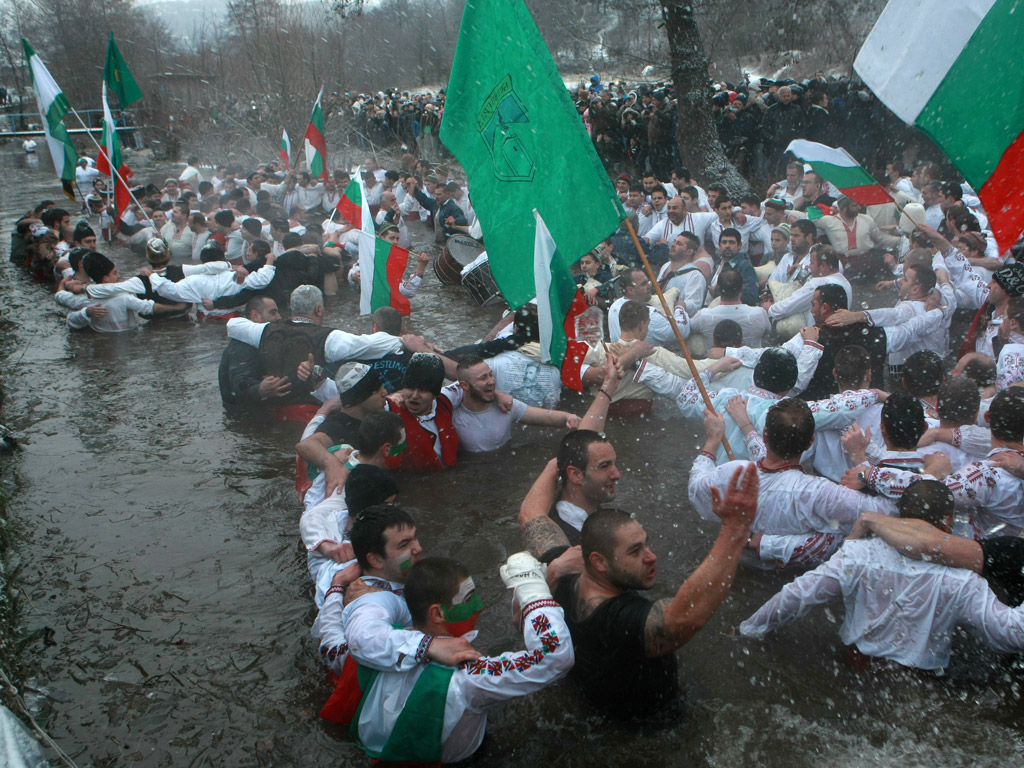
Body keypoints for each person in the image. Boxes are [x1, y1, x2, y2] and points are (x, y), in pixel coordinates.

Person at [525, 463, 758, 719]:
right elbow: (684, 618)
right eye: (635, 551)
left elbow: (532, 514)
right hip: (648, 730)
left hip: (591, 703)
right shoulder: (617, 618)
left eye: (647, 544)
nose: (652, 557)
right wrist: (734, 530)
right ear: (598, 561)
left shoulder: (560, 572)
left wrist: (553, 466)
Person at [739, 480, 1024, 672]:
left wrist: (748, 629)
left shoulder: (858, 556)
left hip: (856, 667)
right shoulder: (962, 580)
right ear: (948, 521)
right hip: (920, 682)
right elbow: (1010, 633)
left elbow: (797, 595)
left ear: (899, 516)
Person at [339, 552, 572, 763]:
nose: (480, 607)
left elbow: (343, 639)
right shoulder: (470, 677)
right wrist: (532, 590)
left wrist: (336, 590)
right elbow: (553, 657)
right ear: (438, 613)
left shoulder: (376, 649)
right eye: (469, 598)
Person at [690, 398, 897, 569]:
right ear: (810, 442)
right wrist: (861, 463)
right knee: (838, 529)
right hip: (791, 577)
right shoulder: (819, 493)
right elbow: (887, 512)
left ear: (765, 436)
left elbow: (696, 487)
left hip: (734, 566)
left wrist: (713, 440)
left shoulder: (733, 473)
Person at [449, 356, 580, 452]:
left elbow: (546, 416)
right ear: (464, 385)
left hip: (504, 464)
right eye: (483, 378)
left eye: (491, 375)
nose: (491, 381)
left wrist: (568, 417)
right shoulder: (451, 412)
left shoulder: (506, 406)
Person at [218, 295, 294, 407]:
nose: (279, 317)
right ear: (255, 316)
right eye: (273, 312)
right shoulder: (243, 347)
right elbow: (238, 387)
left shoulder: (263, 341)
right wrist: (260, 389)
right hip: (243, 415)